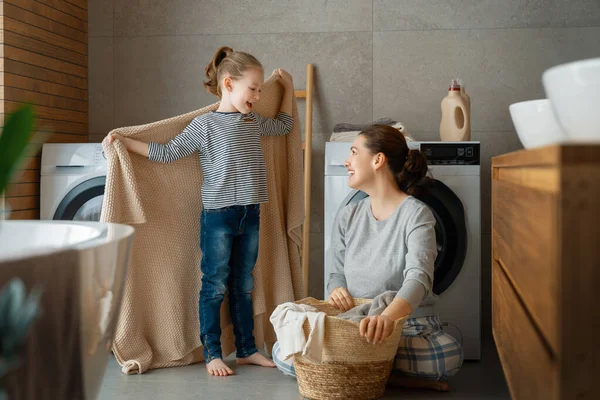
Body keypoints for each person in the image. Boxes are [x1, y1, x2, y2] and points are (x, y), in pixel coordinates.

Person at [108, 46, 295, 377]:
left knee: (244, 285)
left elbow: (283, 126)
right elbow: (167, 153)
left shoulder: (254, 122)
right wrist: (124, 141)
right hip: (218, 219)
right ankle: (212, 353)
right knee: (214, 285)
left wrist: (288, 87)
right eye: (253, 88)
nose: (258, 94)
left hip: (250, 214)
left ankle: (247, 349)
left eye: (260, 89)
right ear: (228, 84)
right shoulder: (205, 125)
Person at [272, 124, 463, 391]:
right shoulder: (348, 215)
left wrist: (386, 319)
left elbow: (419, 277)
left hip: (404, 324)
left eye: (353, 152)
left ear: (378, 160)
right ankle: (383, 373)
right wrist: (336, 288)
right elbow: (336, 273)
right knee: (281, 349)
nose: (347, 162)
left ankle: (361, 369)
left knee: (444, 357)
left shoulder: (417, 214)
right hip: (354, 324)